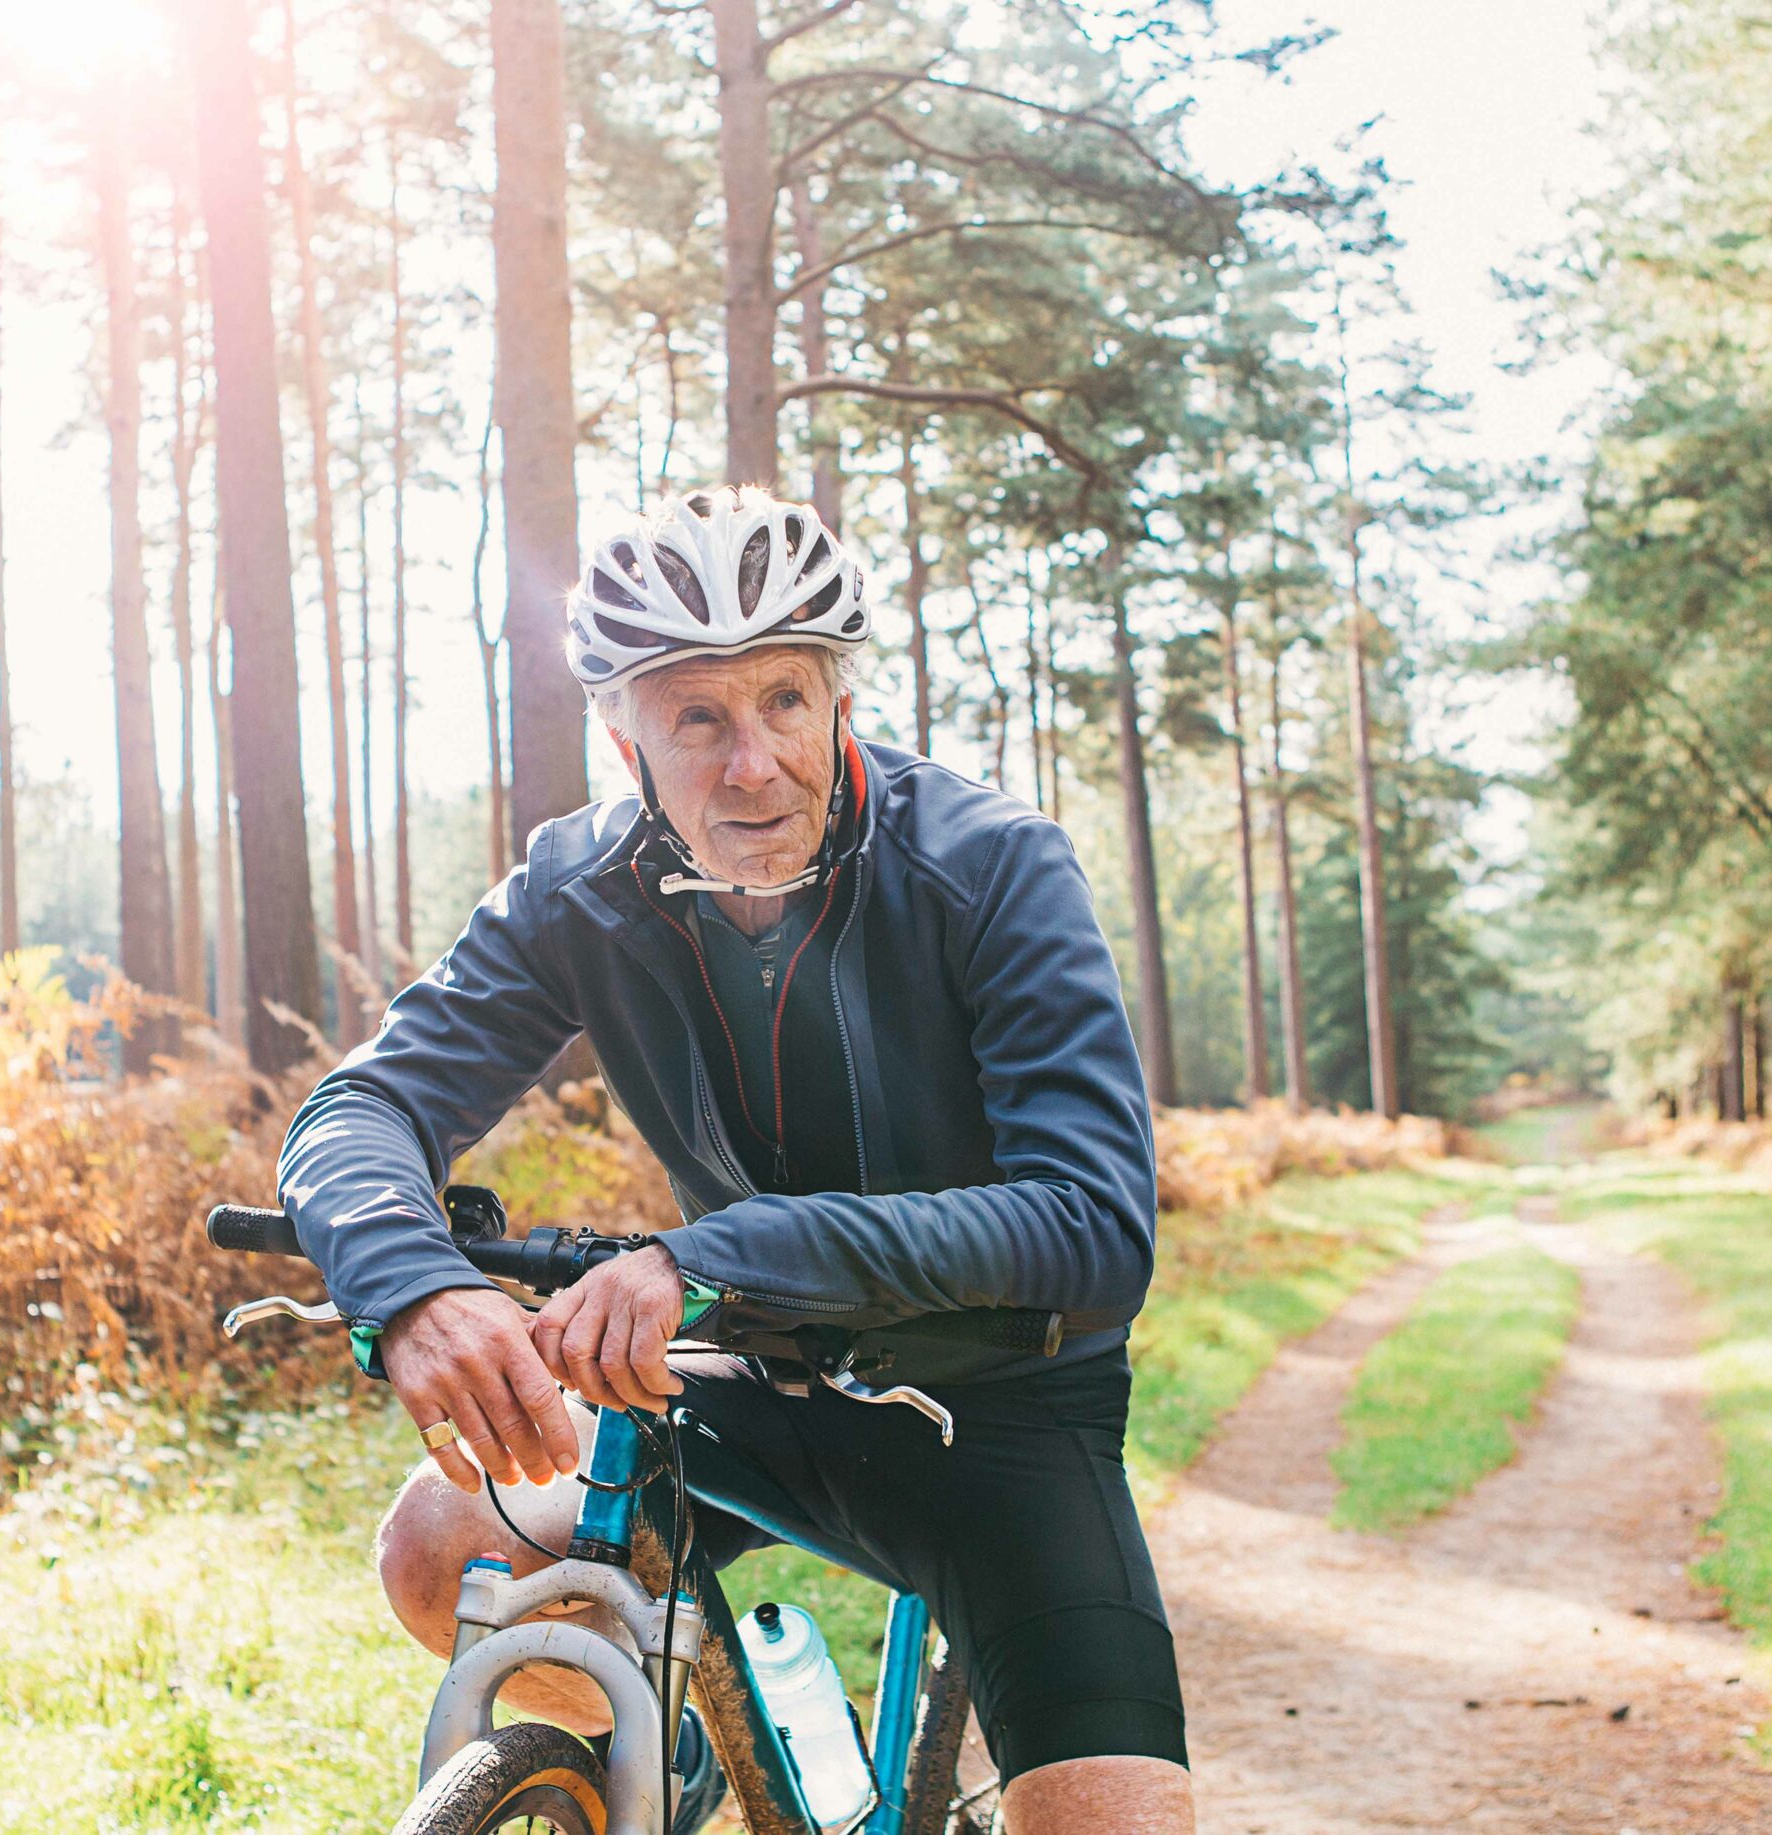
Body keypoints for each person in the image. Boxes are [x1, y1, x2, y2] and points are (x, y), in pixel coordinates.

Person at [277, 486, 1193, 1834]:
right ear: (626, 739)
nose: (752, 763)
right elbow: (364, 1106)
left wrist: (710, 1258)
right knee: (438, 1545)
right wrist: (413, 1286)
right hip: (743, 1380)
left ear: (838, 700)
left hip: (1000, 1408)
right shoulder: (579, 891)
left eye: (783, 701)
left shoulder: (992, 867)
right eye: (697, 717)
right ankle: (669, 1752)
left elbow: (1094, 1228)